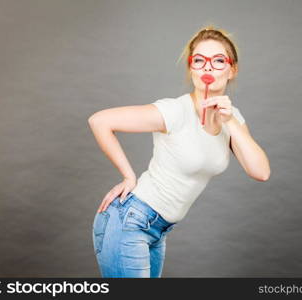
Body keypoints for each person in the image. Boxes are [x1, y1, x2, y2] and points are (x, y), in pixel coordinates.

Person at [88, 26, 271, 278]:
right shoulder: (175, 111)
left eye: (218, 61)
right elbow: (100, 121)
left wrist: (229, 121)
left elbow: (260, 171)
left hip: (158, 230)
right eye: (199, 60)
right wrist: (129, 177)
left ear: (233, 69)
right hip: (130, 222)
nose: (207, 68)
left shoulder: (234, 119)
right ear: (191, 68)